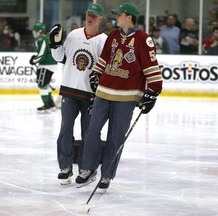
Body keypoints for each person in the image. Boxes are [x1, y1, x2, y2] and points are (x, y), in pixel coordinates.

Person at [75, 2, 163, 190]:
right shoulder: (114, 35)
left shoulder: (144, 40)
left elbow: (152, 67)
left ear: (129, 17)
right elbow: (105, 58)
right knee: (92, 130)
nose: (116, 17)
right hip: (104, 91)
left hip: (127, 96)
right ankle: (88, 168)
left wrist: (153, 91)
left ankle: (106, 174)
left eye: (119, 15)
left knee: (115, 136)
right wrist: (96, 73)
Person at [49, 3, 107, 185]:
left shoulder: (104, 40)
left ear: (100, 19)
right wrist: (54, 45)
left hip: (91, 95)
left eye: (94, 15)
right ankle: (65, 167)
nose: (90, 17)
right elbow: (61, 58)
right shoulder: (74, 35)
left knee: (89, 133)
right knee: (65, 129)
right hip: (69, 90)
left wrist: (100, 94)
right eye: (88, 14)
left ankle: (87, 168)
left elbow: (104, 69)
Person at [29, 22, 57, 113]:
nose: (34, 33)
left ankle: (47, 105)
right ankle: (51, 104)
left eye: (35, 31)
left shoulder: (42, 40)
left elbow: (42, 55)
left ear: (39, 32)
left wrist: (34, 61)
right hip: (50, 64)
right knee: (45, 84)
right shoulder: (46, 38)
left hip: (46, 65)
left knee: (41, 85)